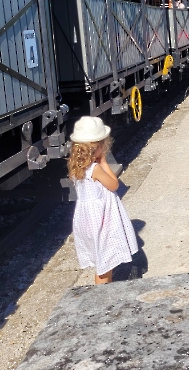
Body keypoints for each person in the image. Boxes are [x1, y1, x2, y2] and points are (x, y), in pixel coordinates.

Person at [67, 116, 138, 285]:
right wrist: (104, 162)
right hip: (102, 220)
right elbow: (114, 185)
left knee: (104, 261)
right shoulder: (95, 169)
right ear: (97, 147)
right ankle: (101, 300)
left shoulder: (75, 168)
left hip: (87, 220)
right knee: (104, 267)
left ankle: (107, 292)